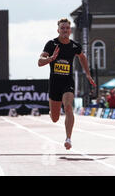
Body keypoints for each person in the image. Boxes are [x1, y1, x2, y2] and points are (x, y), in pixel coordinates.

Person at [38, 18, 96, 150]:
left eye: (67, 28)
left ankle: (68, 138)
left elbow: (82, 57)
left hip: (67, 82)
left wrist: (87, 73)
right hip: (54, 83)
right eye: (62, 28)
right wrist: (50, 58)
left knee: (68, 107)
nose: (65, 30)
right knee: (54, 118)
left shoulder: (75, 46)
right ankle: (52, 113)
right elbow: (39, 61)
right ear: (58, 30)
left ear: (70, 30)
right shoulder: (51, 44)